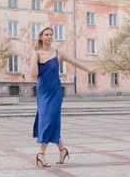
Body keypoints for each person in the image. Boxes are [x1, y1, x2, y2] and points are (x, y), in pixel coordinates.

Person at [30, 27, 94, 167]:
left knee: (49, 120)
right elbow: (34, 74)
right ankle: (62, 149)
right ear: (41, 37)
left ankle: (41, 154)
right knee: (48, 120)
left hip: (55, 91)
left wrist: (88, 69)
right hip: (43, 91)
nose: (49, 37)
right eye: (46, 34)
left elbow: (74, 62)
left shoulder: (58, 53)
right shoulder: (37, 54)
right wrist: (34, 55)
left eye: (51, 35)